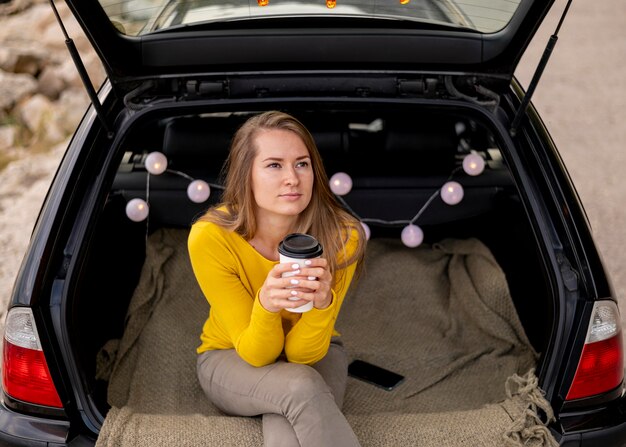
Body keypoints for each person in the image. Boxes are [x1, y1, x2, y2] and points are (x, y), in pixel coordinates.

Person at [188, 110, 367, 447]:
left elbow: (302, 356)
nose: (292, 179)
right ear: (247, 175)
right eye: (274, 165)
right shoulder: (211, 237)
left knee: (292, 403)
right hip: (230, 355)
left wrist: (321, 303)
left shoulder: (343, 235)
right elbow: (257, 355)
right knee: (299, 388)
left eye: (302, 164)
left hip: (318, 352)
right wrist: (266, 305)